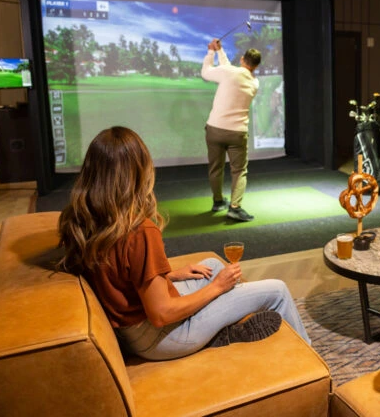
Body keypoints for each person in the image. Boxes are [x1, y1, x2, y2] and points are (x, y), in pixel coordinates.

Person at [56, 126, 310, 361]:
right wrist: (217, 288)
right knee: (277, 291)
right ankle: (312, 366)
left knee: (212, 266)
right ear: (138, 171)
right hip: (164, 338)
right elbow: (161, 314)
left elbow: (117, 272)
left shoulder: (82, 217)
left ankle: (220, 330)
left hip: (132, 333)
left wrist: (170, 275)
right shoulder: (140, 231)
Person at [202, 38, 261, 222]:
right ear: (256, 66)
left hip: (215, 129)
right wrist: (220, 51)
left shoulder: (230, 72)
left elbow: (207, 72)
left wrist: (211, 51)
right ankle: (234, 207)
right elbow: (229, 70)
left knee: (215, 167)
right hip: (237, 133)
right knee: (239, 171)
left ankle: (218, 201)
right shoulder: (255, 83)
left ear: (242, 59)